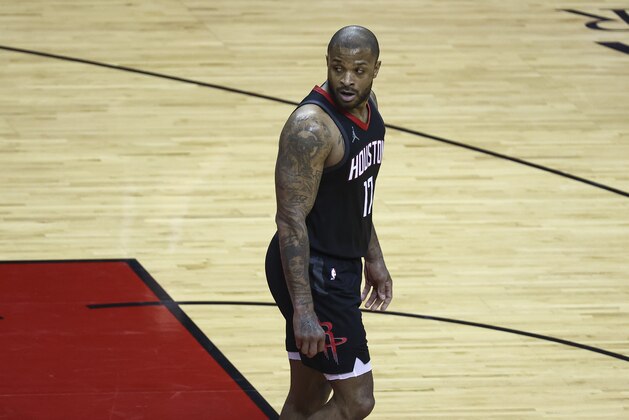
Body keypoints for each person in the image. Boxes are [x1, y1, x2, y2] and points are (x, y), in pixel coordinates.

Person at [265, 25, 393, 419]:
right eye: (339, 68)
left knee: (308, 395)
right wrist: (304, 308)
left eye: (359, 70)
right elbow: (289, 220)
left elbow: (356, 193)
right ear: (327, 65)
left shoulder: (367, 110)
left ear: (376, 69)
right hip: (315, 270)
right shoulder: (311, 129)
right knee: (358, 400)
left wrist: (373, 256)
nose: (348, 80)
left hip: (340, 261)